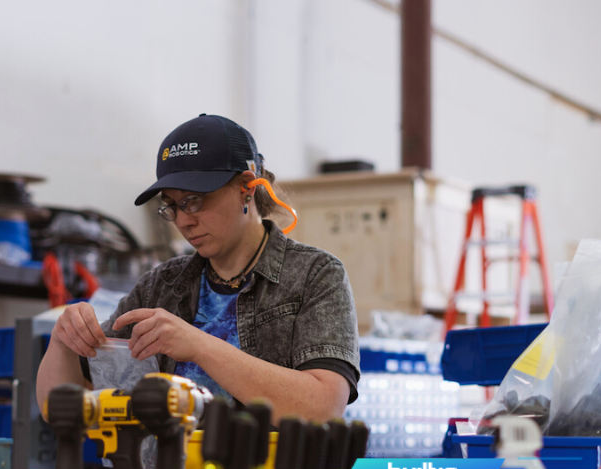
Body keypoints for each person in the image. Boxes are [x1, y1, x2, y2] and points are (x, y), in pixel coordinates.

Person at [36, 114, 359, 423]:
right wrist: (62, 343)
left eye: (195, 201)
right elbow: (61, 410)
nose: (184, 221)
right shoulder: (160, 287)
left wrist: (199, 345)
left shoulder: (315, 275)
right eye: (172, 206)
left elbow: (322, 406)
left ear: (247, 186)